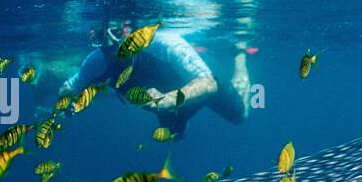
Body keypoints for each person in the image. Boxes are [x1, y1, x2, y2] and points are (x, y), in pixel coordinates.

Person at [59, 19, 251, 135]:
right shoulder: (96, 61)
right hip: (166, 103)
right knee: (174, 136)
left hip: (199, 77)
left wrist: (167, 100)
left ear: (129, 29)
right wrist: (64, 105)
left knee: (240, 116)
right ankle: (182, 116)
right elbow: (70, 87)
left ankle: (239, 54)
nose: (112, 45)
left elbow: (208, 84)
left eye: (117, 34)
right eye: (101, 38)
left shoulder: (163, 43)